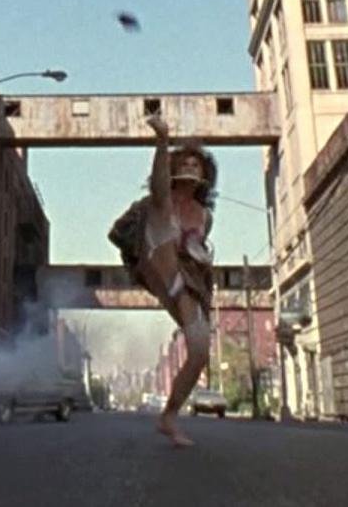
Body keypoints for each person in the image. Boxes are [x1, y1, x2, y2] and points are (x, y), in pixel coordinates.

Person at [138, 113, 217, 448]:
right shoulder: (162, 203)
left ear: (205, 173)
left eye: (196, 164)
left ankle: (169, 415)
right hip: (162, 267)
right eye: (183, 163)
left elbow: (198, 249)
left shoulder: (205, 215)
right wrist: (162, 141)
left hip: (192, 279)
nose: (190, 167)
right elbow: (158, 187)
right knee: (170, 259)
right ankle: (168, 417)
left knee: (199, 351)